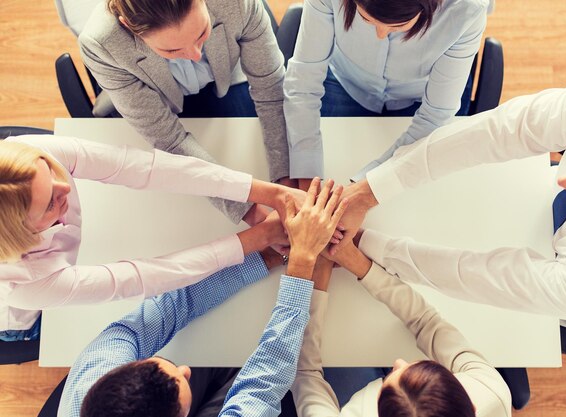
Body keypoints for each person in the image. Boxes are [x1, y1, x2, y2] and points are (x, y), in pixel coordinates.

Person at [333, 78, 566, 347]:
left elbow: (477, 276)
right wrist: (369, 191)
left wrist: (365, 246)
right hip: (537, 214)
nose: (561, 179)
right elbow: (500, 130)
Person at [58, 178, 349, 417]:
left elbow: (175, 304)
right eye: (182, 380)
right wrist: (302, 259)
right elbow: (264, 382)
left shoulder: (96, 369)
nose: (184, 369)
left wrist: (267, 254)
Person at [0, 134, 305, 340]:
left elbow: (149, 169)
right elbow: (144, 277)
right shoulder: (26, 286)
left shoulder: (32, 153)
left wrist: (274, 193)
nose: (64, 185)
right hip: (21, 314)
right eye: (51, 201)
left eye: (52, 171)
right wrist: (260, 236)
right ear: (23, 232)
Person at [80, 0, 294, 225]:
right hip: (160, 100)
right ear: (128, 27)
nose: (194, 54)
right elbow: (170, 140)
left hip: (226, 80)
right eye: (171, 50)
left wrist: (286, 185)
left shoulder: (235, 3)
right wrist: (253, 214)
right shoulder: (101, 43)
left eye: (202, 33)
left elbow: (272, 91)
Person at [292, 236, 512, 417]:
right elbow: (426, 320)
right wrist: (358, 263)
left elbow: (305, 372)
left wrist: (317, 270)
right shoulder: (489, 391)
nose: (398, 362)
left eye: (387, 382)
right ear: (472, 407)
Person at [284, 0, 489, 187]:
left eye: (398, 26)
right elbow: (304, 82)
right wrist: (307, 176)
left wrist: (364, 188)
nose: (381, 34)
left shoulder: (468, 7)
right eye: (365, 19)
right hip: (345, 81)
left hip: (422, 94)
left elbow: (436, 114)